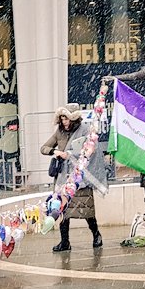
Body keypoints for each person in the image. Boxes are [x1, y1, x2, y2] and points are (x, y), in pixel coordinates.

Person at [41, 104, 103, 252]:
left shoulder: (85, 130)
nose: (65, 122)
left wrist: (73, 155)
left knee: (86, 209)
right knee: (62, 209)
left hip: (80, 176)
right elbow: (44, 148)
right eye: (62, 119)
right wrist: (56, 151)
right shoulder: (59, 132)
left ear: (74, 118)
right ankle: (65, 242)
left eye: (67, 119)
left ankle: (96, 234)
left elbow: (92, 151)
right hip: (63, 177)